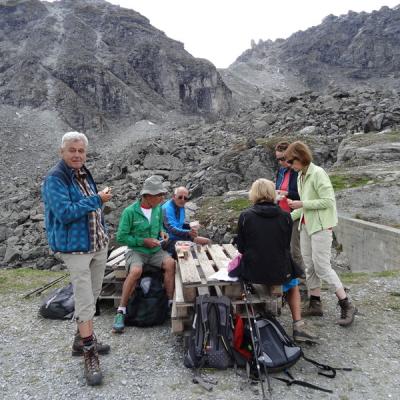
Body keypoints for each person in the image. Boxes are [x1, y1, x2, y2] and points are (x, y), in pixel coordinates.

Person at [42, 131, 111, 386]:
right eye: (72, 150)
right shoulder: (55, 178)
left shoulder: (83, 173)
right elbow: (65, 213)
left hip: (97, 245)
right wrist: (97, 199)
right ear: (62, 151)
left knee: (92, 295)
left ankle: (80, 340)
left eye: (81, 151)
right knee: (84, 299)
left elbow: (93, 210)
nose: (77, 155)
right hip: (75, 249)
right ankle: (89, 353)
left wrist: (103, 229)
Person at [230, 178, 317, 342]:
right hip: (279, 272)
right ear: (272, 194)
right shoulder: (286, 216)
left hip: (253, 272)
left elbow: (241, 248)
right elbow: (285, 245)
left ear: (254, 194)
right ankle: (298, 325)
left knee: (238, 268)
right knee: (293, 284)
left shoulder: (245, 216)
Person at [285, 141, 357, 326]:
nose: (290, 166)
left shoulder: (318, 173)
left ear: (301, 157)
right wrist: (286, 218)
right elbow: (305, 208)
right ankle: (315, 303)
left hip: (321, 227)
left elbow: (328, 201)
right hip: (306, 226)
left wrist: (302, 204)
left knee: (322, 267)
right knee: (309, 266)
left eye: (292, 161)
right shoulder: (301, 176)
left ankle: (346, 304)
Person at [112, 175, 176, 333]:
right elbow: (121, 237)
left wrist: (162, 233)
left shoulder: (158, 209)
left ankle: (169, 303)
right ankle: (121, 311)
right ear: (147, 196)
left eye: (162, 194)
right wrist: (143, 241)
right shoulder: (129, 212)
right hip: (136, 250)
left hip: (155, 250)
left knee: (170, 263)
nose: (162, 198)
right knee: (135, 271)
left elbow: (160, 226)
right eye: (159, 195)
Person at [274, 141, 305, 276]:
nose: (281, 162)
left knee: (294, 248)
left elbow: (302, 194)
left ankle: (300, 276)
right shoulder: (281, 171)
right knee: (282, 247)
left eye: (283, 158)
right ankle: (287, 274)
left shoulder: (297, 172)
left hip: (295, 214)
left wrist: (286, 193)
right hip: (281, 213)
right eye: (278, 159)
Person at [162, 186, 210, 257]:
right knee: (192, 251)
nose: (183, 200)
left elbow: (179, 224)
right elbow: (171, 229)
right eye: (180, 197)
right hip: (168, 240)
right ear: (174, 197)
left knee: (207, 241)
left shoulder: (180, 206)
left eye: (185, 198)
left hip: (179, 236)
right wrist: (188, 233)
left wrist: (190, 226)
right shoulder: (167, 208)